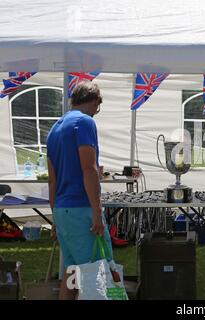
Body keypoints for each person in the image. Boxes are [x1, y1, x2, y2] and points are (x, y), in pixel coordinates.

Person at [46, 80, 112, 300]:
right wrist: (97, 211)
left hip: (63, 209)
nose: (96, 112)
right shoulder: (84, 122)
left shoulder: (54, 128)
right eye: (97, 107)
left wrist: (55, 217)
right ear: (94, 102)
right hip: (81, 208)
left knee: (72, 272)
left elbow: (52, 180)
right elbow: (88, 169)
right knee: (95, 274)